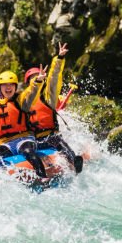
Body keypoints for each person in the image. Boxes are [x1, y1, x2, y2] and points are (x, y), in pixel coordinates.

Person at [22, 42, 84, 173]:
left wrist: (59, 58)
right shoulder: (22, 100)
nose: (37, 80)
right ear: (28, 84)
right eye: (33, 79)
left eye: (39, 78)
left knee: (60, 143)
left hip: (50, 137)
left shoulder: (48, 98)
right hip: (32, 141)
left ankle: (74, 160)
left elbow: (54, 78)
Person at [0, 70, 48, 178]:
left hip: (24, 139)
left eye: (11, 85)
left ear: (15, 87)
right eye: (4, 85)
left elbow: (31, 92)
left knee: (28, 151)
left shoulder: (20, 99)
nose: (8, 88)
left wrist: (38, 81)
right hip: (5, 143)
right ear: (0, 88)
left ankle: (43, 177)